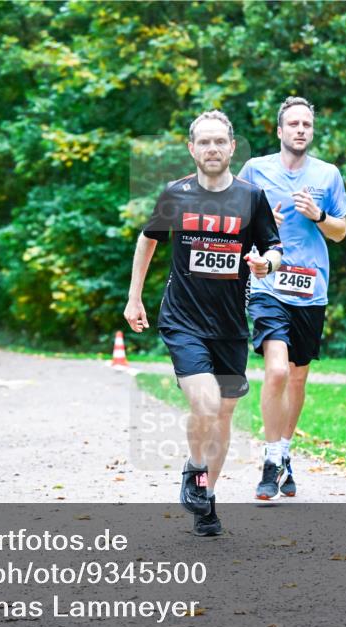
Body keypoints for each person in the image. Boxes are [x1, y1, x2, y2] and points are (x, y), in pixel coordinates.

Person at [124, 110, 282, 537]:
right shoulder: (175, 194)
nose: (213, 148)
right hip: (183, 320)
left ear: (232, 147)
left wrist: (266, 264)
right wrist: (134, 297)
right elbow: (148, 239)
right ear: (192, 149)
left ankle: (206, 499)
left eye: (220, 141)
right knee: (207, 405)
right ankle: (194, 470)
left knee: (223, 415)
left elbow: (274, 247)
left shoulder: (251, 197)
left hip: (230, 325)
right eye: (205, 142)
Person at [238, 97, 346, 500]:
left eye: (307, 124)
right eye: (294, 124)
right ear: (279, 131)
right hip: (268, 283)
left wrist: (319, 215)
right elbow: (233, 221)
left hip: (311, 288)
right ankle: (270, 460)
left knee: (298, 375)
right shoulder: (256, 170)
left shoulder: (327, 174)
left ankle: (284, 452)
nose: (301, 129)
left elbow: (340, 232)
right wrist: (261, 222)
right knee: (278, 372)